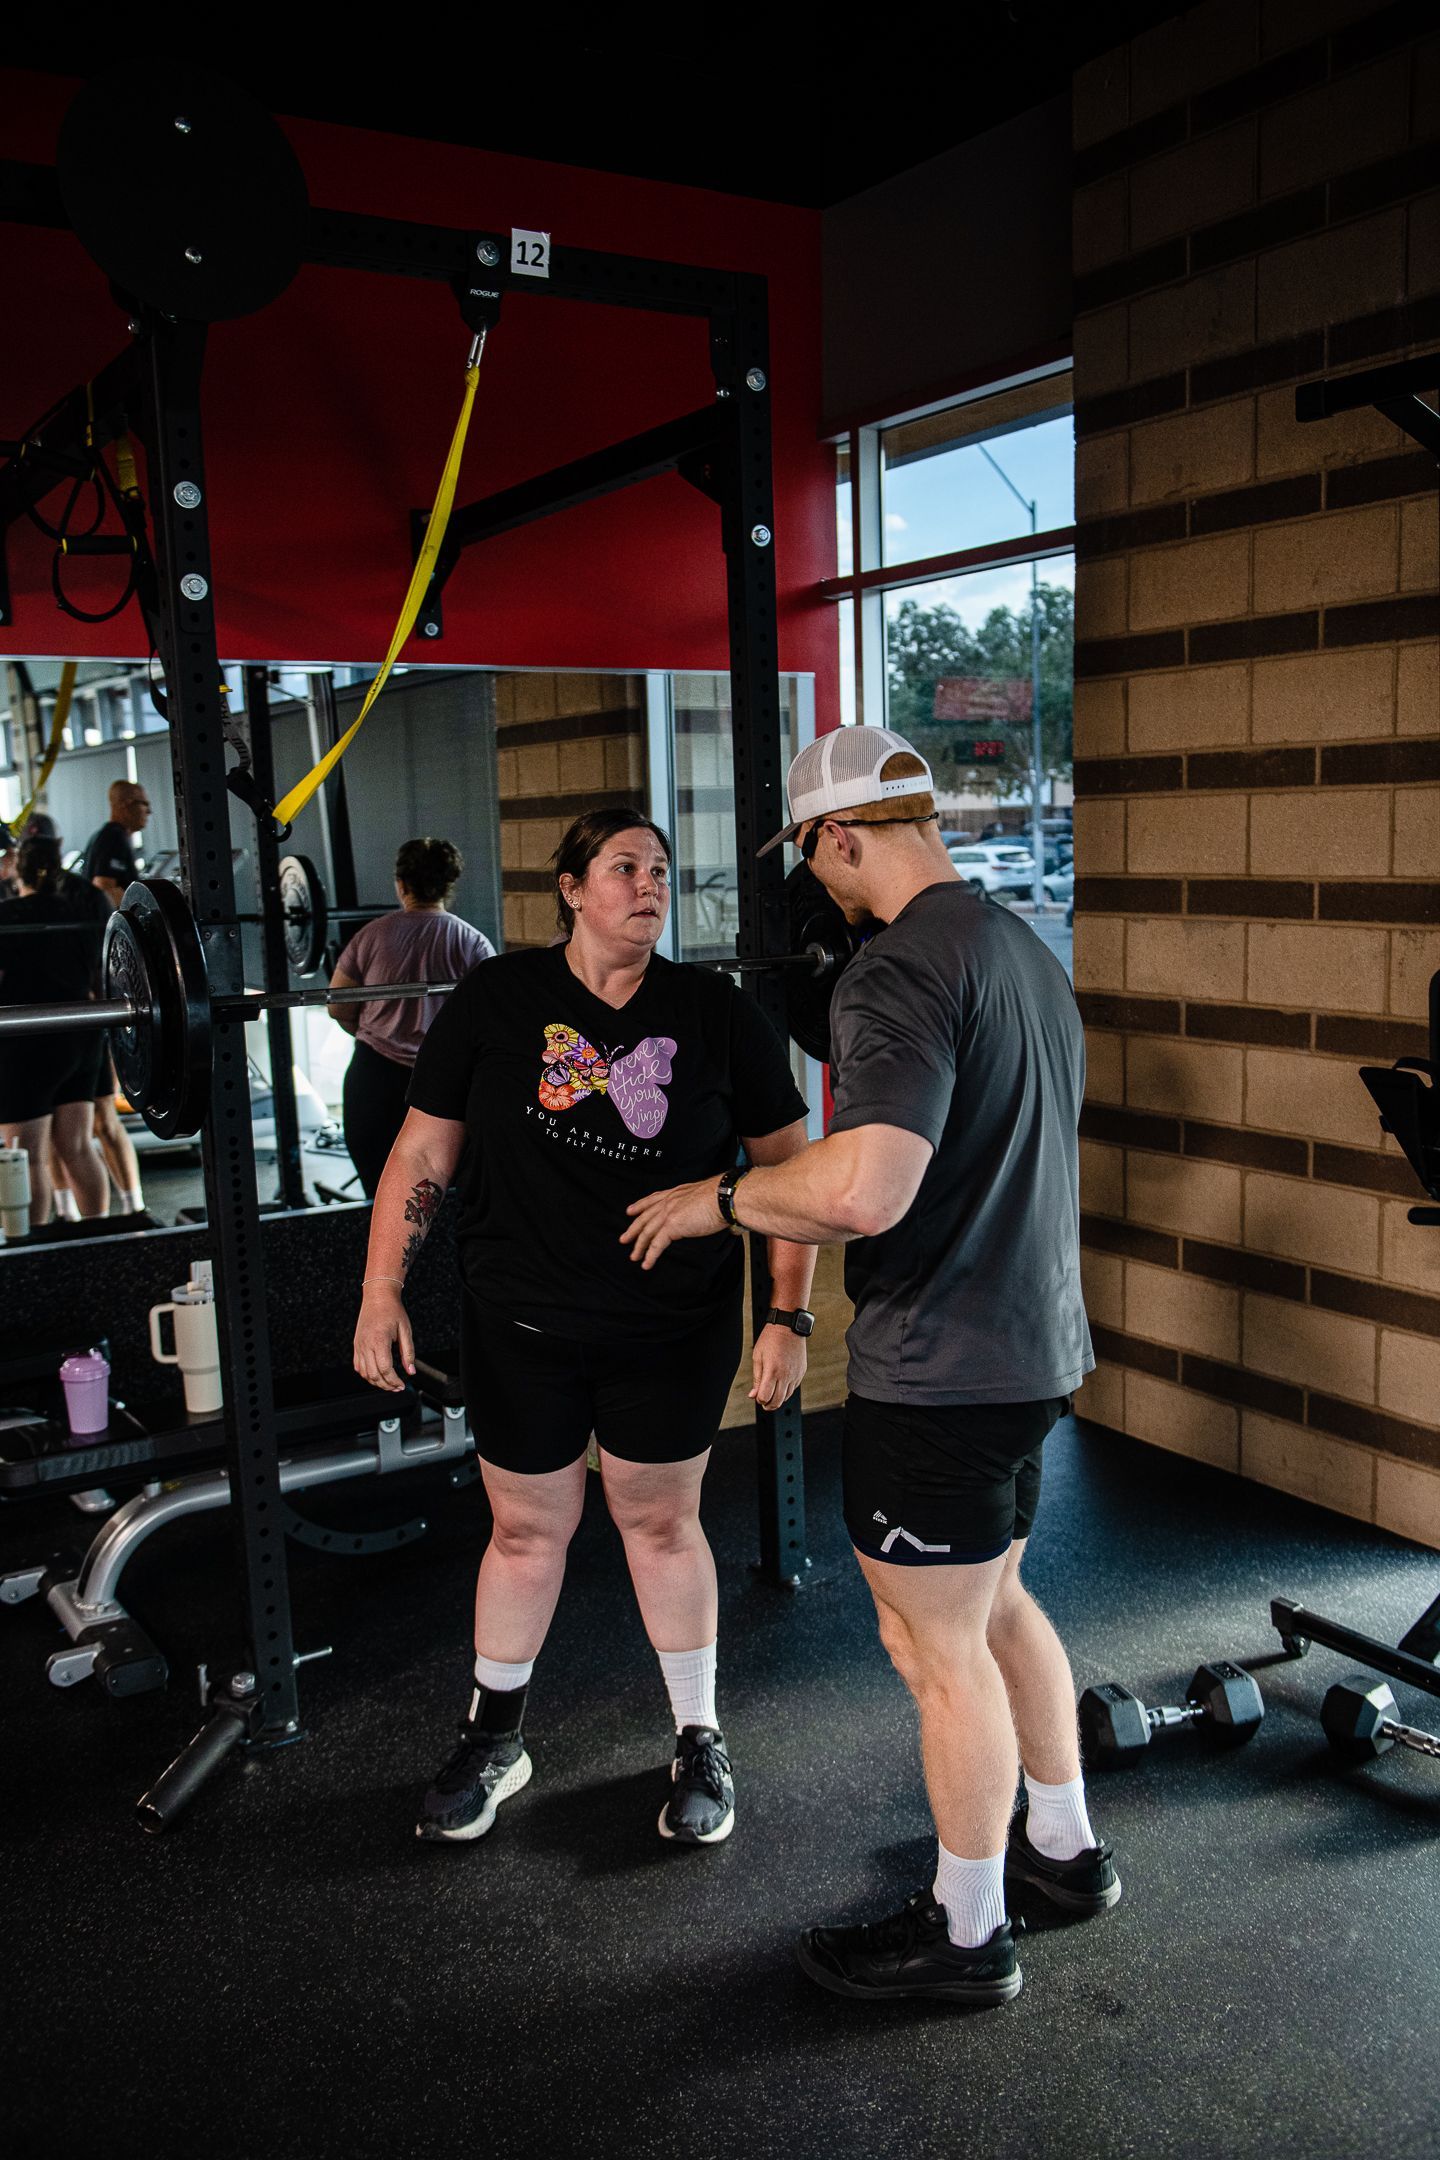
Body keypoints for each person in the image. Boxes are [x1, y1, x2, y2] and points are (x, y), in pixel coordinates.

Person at [624, 727, 1106, 2009]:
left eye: (816, 860)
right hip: (1036, 1350)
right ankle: (1061, 1853)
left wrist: (724, 1198)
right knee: (996, 1605)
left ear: (842, 837)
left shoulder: (894, 973)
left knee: (932, 1649)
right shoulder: (1020, 949)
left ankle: (966, 1933)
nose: (818, 888)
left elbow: (872, 1186)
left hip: (942, 1367)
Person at [352, 806, 816, 1849]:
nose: (648, 885)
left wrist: (787, 1313)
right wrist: (382, 1291)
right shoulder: (497, 999)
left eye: (659, 869)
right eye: (622, 867)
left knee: (660, 1524)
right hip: (519, 1321)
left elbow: (792, 1169)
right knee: (524, 1530)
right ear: (569, 886)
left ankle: (699, 1736)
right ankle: (496, 1736)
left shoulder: (714, 1010)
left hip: (671, 1324)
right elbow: (423, 1156)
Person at [328, 837, 497, 1198]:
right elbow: (491, 1019)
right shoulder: (473, 942)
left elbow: (338, 1006)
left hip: (375, 1080)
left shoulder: (372, 935)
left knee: (380, 1199)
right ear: (448, 886)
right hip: (444, 1083)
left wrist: (378, 1032)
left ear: (401, 883)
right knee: (440, 1198)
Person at [0, 834, 111, 1225]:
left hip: (28, 1042)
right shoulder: (78, 911)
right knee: (78, 1147)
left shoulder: (6, 915)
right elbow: (101, 977)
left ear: (17, 871)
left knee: (24, 1156)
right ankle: (99, 1239)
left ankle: (35, 1257)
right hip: (82, 1035)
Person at [82, 779, 151, 908]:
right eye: (144, 804)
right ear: (126, 805)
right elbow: (104, 888)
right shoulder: (113, 836)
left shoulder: (106, 834)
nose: (149, 811)